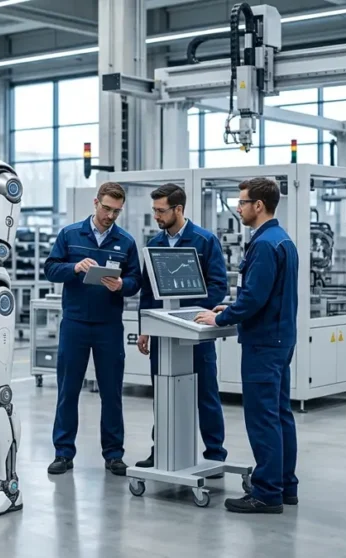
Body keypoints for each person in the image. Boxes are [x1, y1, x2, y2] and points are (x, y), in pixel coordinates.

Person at [194, 177, 299, 514]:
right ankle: (285, 485)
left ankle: (267, 493)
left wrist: (220, 319)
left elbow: (254, 297)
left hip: (263, 343)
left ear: (258, 205)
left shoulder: (266, 244)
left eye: (242, 202)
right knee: (280, 414)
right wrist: (232, 308)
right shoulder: (282, 240)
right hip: (279, 338)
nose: (238, 208)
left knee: (263, 417)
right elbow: (264, 295)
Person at [44, 182, 142, 477]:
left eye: (117, 211)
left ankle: (113, 454)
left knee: (111, 393)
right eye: (107, 208)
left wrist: (122, 285)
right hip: (74, 324)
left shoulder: (125, 242)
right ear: (95, 202)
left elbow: (136, 279)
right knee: (68, 390)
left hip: (109, 326)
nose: (111, 216)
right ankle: (63, 452)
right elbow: (50, 268)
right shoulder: (70, 235)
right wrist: (73, 268)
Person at [136, 183, 228, 471]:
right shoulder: (154, 244)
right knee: (162, 391)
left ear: (178, 209)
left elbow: (218, 285)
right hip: (163, 333)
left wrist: (193, 313)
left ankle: (215, 454)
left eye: (161, 211)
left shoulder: (204, 241)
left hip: (195, 332)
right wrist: (145, 326)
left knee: (206, 394)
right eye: (154, 211)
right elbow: (148, 291)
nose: (157, 216)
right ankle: (160, 449)